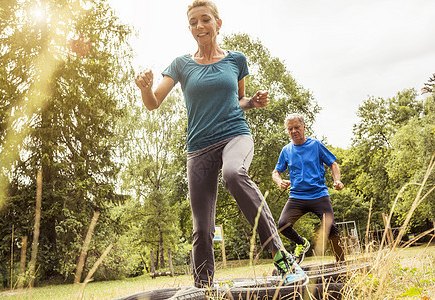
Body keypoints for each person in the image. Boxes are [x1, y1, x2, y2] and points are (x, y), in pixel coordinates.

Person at [135, 0, 307, 288]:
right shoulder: (181, 64)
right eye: (193, 22)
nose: (199, 26)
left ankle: (282, 259)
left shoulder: (236, 60)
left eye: (205, 20)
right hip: (198, 148)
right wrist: (144, 89)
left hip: (234, 136)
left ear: (218, 23)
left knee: (233, 174)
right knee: (202, 228)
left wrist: (251, 102)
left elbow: (238, 100)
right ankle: (203, 287)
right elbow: (153, 103)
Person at [272, 113, 345, 264]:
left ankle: (342, 263)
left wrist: (337, 180)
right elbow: (276, 172)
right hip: (297, 197)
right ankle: (301, 243)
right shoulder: (286, 150)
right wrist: (279, 182)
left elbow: (333, 164)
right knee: (282, 225)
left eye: (297, 127)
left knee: (331, 227)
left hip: (319, 195)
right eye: (290, 129)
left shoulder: (315, 145)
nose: (293, 131)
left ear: (304, 128)